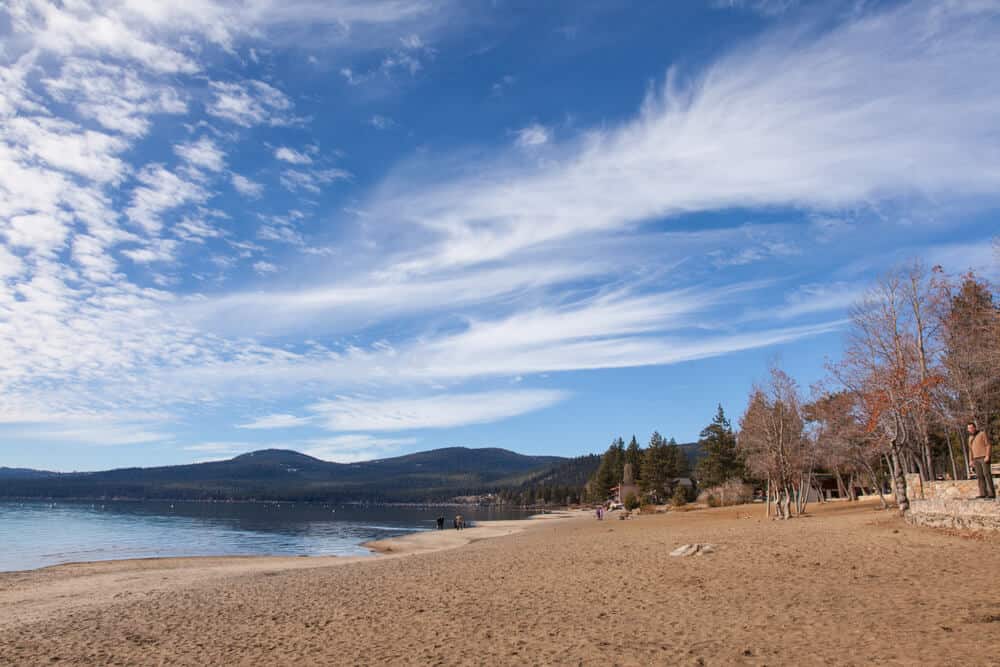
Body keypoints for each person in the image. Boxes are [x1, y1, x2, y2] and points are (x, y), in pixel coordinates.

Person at [968, 421, 995, 499]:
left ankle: (991, 494)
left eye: (971, 427)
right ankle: (983, 493)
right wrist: (970, 460)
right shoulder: (970, 438)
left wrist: (987, 456)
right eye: (968, 428)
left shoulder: (982, 434)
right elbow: (970, 450)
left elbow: (988, 445)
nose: (970, 429)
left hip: (984, 457)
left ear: (975, 427)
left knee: (987, 474)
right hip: (975, 459)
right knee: (979, 476)